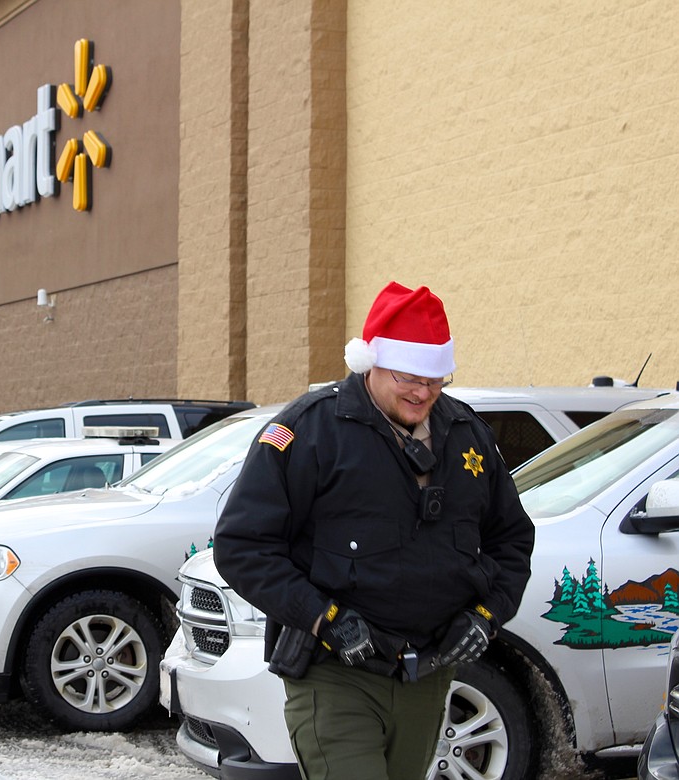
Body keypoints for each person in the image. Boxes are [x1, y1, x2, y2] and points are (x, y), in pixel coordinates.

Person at [213, 281, 535, 779]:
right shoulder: (309, 430)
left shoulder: (467, 435)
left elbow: (511, 540)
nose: (422, 392)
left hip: (426, 676)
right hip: (333, 674)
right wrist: (324, 618)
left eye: (435, 380)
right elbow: (242, 546)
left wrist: (487, 615)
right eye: (408, 377)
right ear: (371, 362)